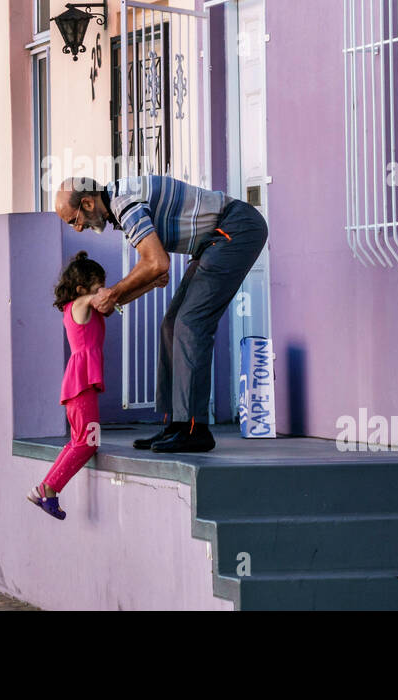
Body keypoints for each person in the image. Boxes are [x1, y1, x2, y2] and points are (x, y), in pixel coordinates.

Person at [54, 175, 267, 453]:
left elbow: (157, 261)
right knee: (170, 325)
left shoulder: (124, 202)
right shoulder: (120, 206)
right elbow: (157, 269)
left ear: (87, 203)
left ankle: (194, 429)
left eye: (74, 220)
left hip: (236, 229)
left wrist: (115, 294)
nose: (78, 228)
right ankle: (176, 425)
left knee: (190, 324)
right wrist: (115, 298)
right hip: (212, 241)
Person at [27, 251, 108, 520]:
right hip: (81, 382)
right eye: (100, 284)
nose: (104, 289)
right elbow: (107, 298)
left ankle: (43, 489)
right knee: (88, 442)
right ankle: (49, 489)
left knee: (79, 440)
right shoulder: (81, 303)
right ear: (82, 288)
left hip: (80, 383)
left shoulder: (79, 305)